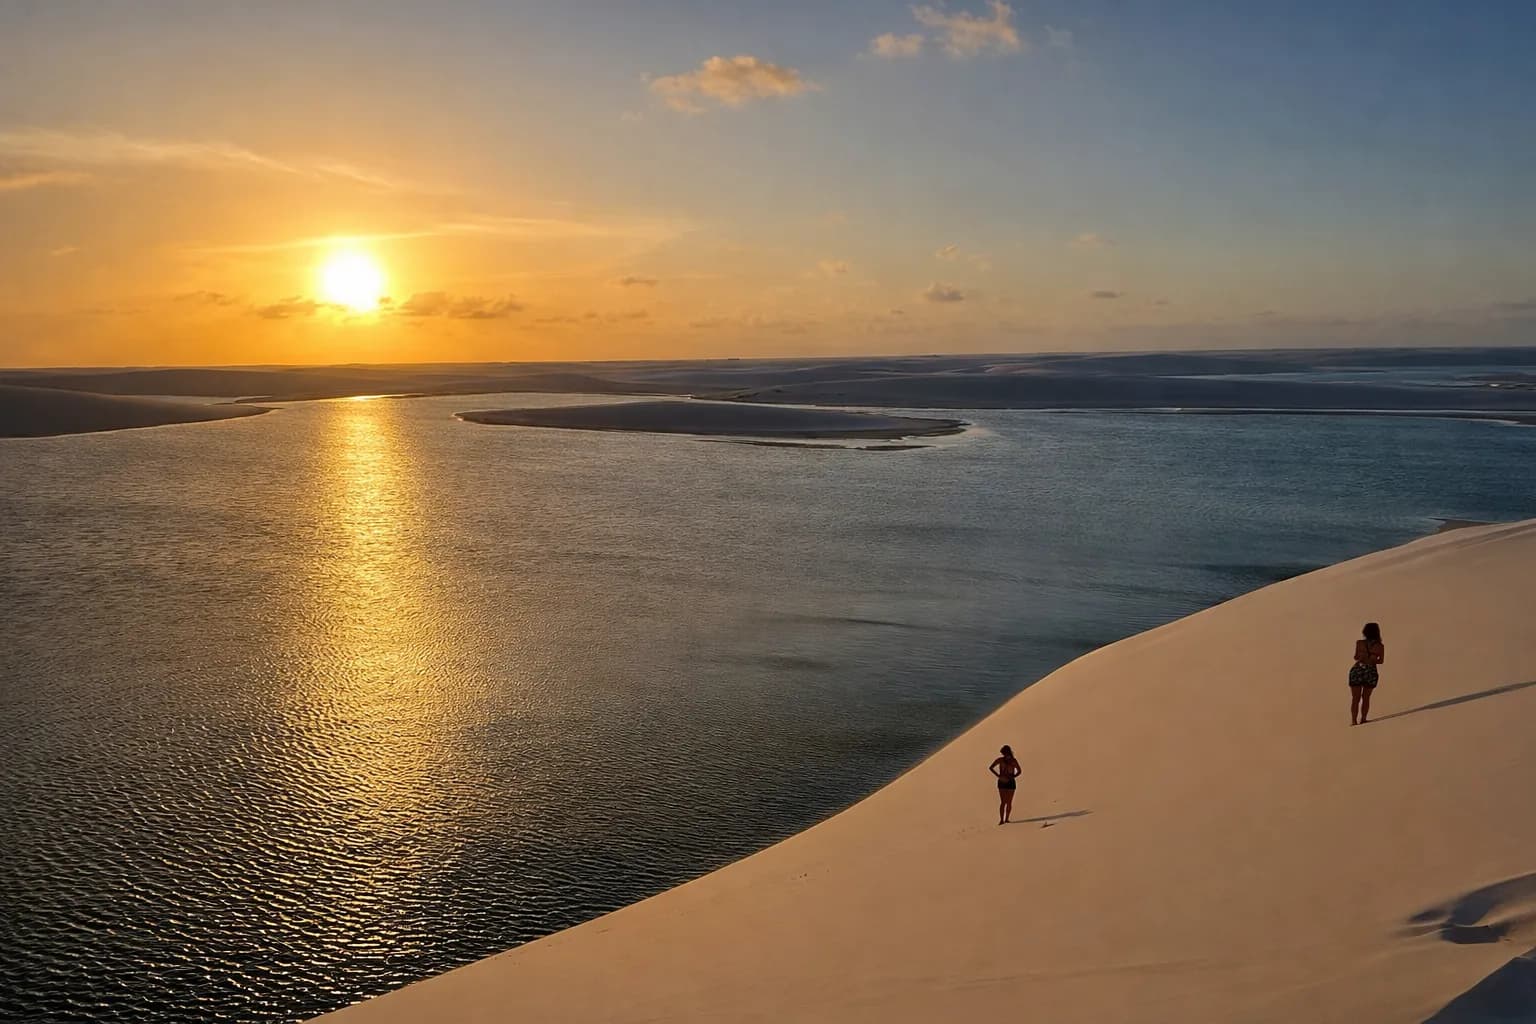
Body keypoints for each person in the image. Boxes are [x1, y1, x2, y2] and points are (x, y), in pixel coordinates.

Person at [1350, 622, 1385, 725]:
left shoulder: (1359, 643)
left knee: (1355, 698)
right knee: (1366, 697)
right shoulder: (1379, 646)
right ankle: (1363, 718)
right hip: (1370, 671)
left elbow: (1355, 657)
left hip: (1357, 670)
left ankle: (1353, 720)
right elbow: (1381, 661)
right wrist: (1373, 659)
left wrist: (1362, 657)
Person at [989, 744, 1021, 824]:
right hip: (1002, 782)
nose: (1004, 755)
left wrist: (1013, 776)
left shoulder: (1013, 761)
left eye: (1005, 753)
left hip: (1011, 782)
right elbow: (991, 767)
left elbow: (1019, 771)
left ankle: (1007, 819)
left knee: (1009, 802)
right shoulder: (1000, 760)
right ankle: (1001, 820)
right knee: (1003, 802)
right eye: (1003, 754)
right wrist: (998, 776)